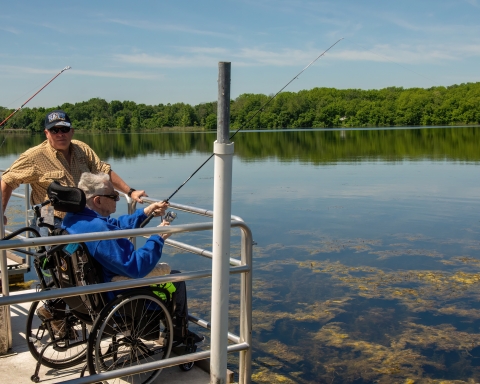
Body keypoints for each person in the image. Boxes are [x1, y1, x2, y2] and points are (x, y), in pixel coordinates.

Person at [61, 172, 203, 344]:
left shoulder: (76, 218)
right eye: (113, 196)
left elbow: (114, 227)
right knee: (177, 280)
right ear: (98, 200)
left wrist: (145, 212)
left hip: (85, 298)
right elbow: (136, 267)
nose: (118, 199)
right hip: (116, 298)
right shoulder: (98, 231)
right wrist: (157, 238)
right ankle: (179, 336)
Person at [1, 110, 146, 225]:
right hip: (49, 215)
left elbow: (103, 170)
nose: (60, 134)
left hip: (81, 215)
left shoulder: (82, 149)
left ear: (72, 131)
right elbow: (7, 180)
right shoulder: (34, 156)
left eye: (64, 129)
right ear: (46, 133)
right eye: (54, 130)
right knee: (50, 257)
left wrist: (130, 192)